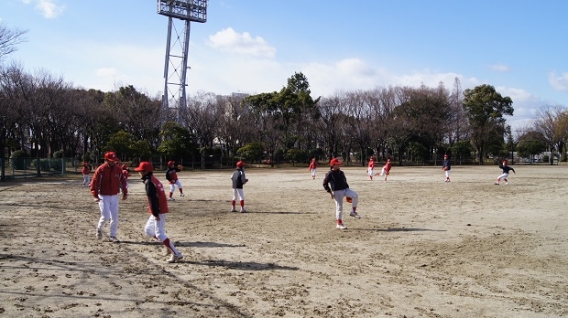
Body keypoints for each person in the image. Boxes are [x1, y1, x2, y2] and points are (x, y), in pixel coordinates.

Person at [134, 161, 183, 263]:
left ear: (145, 172)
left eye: (140, 171)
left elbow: (153, 199)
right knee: (148, 229)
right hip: (159, 208)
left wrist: (156, 213)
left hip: (158, 209)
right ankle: (168, 245)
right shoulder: (153, 179)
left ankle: (176, 253)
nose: (139, 173)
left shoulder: (149, 182)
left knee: (160, 234)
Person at [90, 151, 127, 243]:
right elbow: (94, 182)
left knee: (115, 217)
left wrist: (125, 192)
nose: (113, 162)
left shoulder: (118, 169)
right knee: (106, 216)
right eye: (111, 160)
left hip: (114, 195)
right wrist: (95, 195)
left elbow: (122, 181)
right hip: (103, 196)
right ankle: (99, 228)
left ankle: (112, 235)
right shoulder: (101, 169)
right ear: (106, 160)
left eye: (114, 160)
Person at [323, 158, 360, 230]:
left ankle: (353, 212)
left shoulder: (341, 172)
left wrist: (348, 193)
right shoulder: (330, 173)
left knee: (355, 195)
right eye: (337, 164)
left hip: (345, 189)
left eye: (338, 164)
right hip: (337, 191)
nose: (338, 165)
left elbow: (344, 182)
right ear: (333, 165)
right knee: (339, 208)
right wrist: (330, 192)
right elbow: (325, 183)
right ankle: (339, 223)